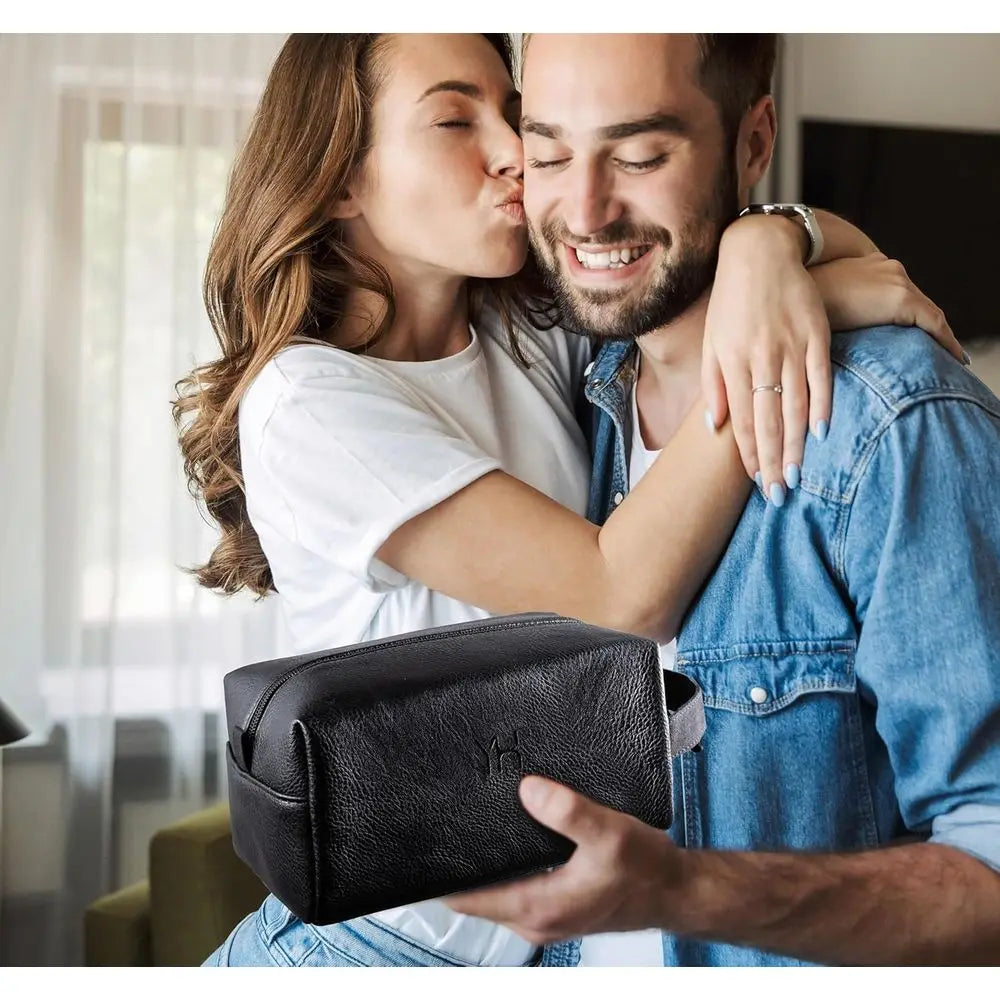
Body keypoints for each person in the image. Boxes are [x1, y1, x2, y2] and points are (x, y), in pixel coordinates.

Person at [176, 34, 960, 968]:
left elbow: (675, 270)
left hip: (545, 950)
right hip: (378, 953)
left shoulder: (525, 330)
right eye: (454, 121)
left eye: (511, 116)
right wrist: (789, 325)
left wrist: (771, 240)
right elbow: (616, 597)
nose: (514, 153)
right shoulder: (310, 402)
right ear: (341, 176)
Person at [446, 33, 1000, 966]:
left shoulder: (894, 428)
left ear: (753, 144)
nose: (585, 211)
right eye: (549, 154)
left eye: (639, 156)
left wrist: (683, 892)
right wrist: (781, 234)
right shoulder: (568, 394)